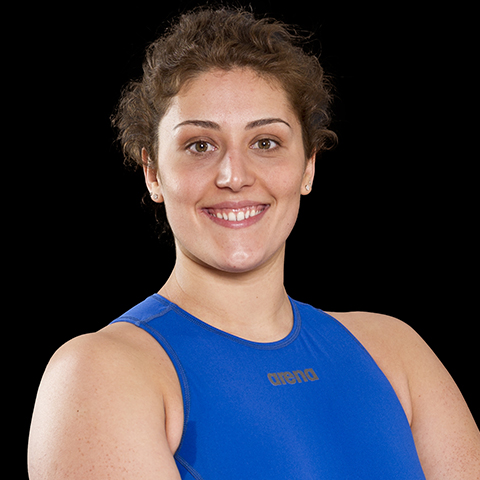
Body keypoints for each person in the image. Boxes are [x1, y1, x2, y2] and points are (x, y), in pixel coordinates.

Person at [28, 7, 480, 479]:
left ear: (308, 166)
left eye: (265, 142)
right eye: (200, 145)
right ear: (153, 173)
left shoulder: (395, 352)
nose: (234, 176)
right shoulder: (100, 373)